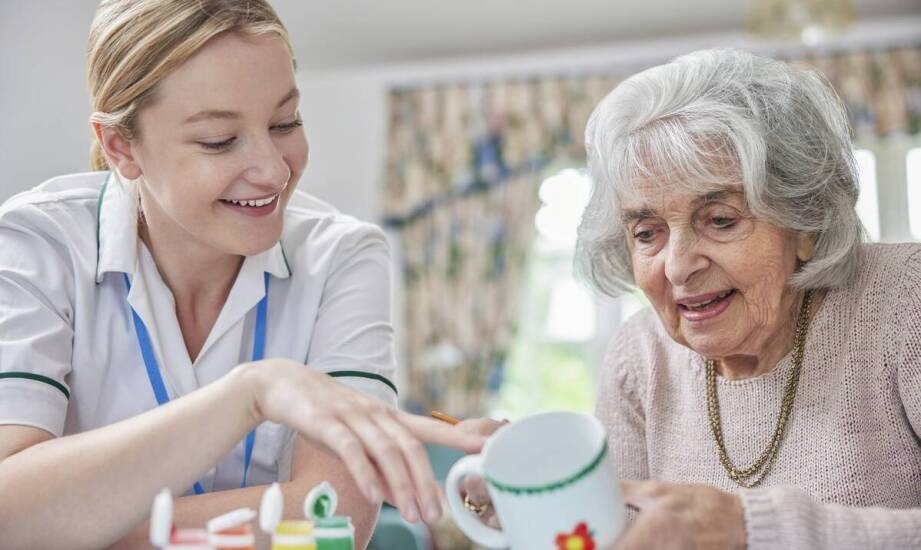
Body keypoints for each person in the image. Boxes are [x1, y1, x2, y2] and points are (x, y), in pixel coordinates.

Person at [0, 1, 483, 548]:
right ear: (121, 146)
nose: (274, 171)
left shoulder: (342, 256)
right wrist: (252, 393)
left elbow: (335, 515)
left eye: (285, 123)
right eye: (219, 140)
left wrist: (72, 525)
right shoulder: (37, 243)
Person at [575, 48, 920, 549]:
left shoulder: (905, 300)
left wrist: (752, 527)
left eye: (720, 220)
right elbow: (610, 538)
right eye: (647, 232)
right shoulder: (640, 357)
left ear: (805, 222)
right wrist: (521, 491)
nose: (677, 266)